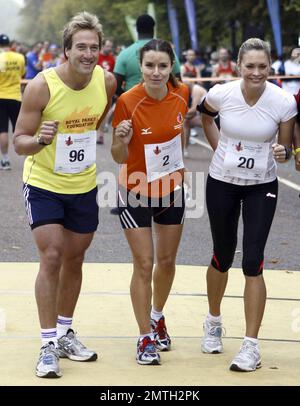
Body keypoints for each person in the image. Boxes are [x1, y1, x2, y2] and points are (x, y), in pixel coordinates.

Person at [13, 11, 116, 378]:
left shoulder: (106, 81)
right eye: (81, 47)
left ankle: (65, 330)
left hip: (83, 184)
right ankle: (46, 344)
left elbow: (96, 120)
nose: (88, 54)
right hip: (43, 183)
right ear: (66, 51)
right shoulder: (43, 85)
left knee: (75, 259)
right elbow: (18, 142)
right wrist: (40, 139)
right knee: (53, 255)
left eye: (94, 47)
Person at [198, 38, 297, 372]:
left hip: (261, 187)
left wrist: (284, 153)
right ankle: (213, 321)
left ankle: (250, 345)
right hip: (221, 183)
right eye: (250, 66)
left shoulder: (283, 101)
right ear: (238, 66)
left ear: (270, 67)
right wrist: (218, 150)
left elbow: (284, 151)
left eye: (263, 67)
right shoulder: (221, 94)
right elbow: (206, 117)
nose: (257, 73)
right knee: (222, 255)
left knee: (253, 260)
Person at [111, 39, 189, 365]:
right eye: (149, 66)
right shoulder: (128, 102)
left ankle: (157, 316)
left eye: (162, 66)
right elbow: (117, 156)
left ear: (171, 67)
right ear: (139, 67)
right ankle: (144, 336)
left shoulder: (182, 95)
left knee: (167, 262)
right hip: (135, 189)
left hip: (171, 188)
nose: (156, 72)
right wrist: (121, 140)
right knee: (144, 263)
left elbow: (180, 136)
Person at [0, 33, 25, 170]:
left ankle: (5, 160)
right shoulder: (19, 57)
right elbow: (22, 74)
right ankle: (27, 156)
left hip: (0, 97)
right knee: (19, 129)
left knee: (3, 130)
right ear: (9, 44)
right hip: (15, 97)